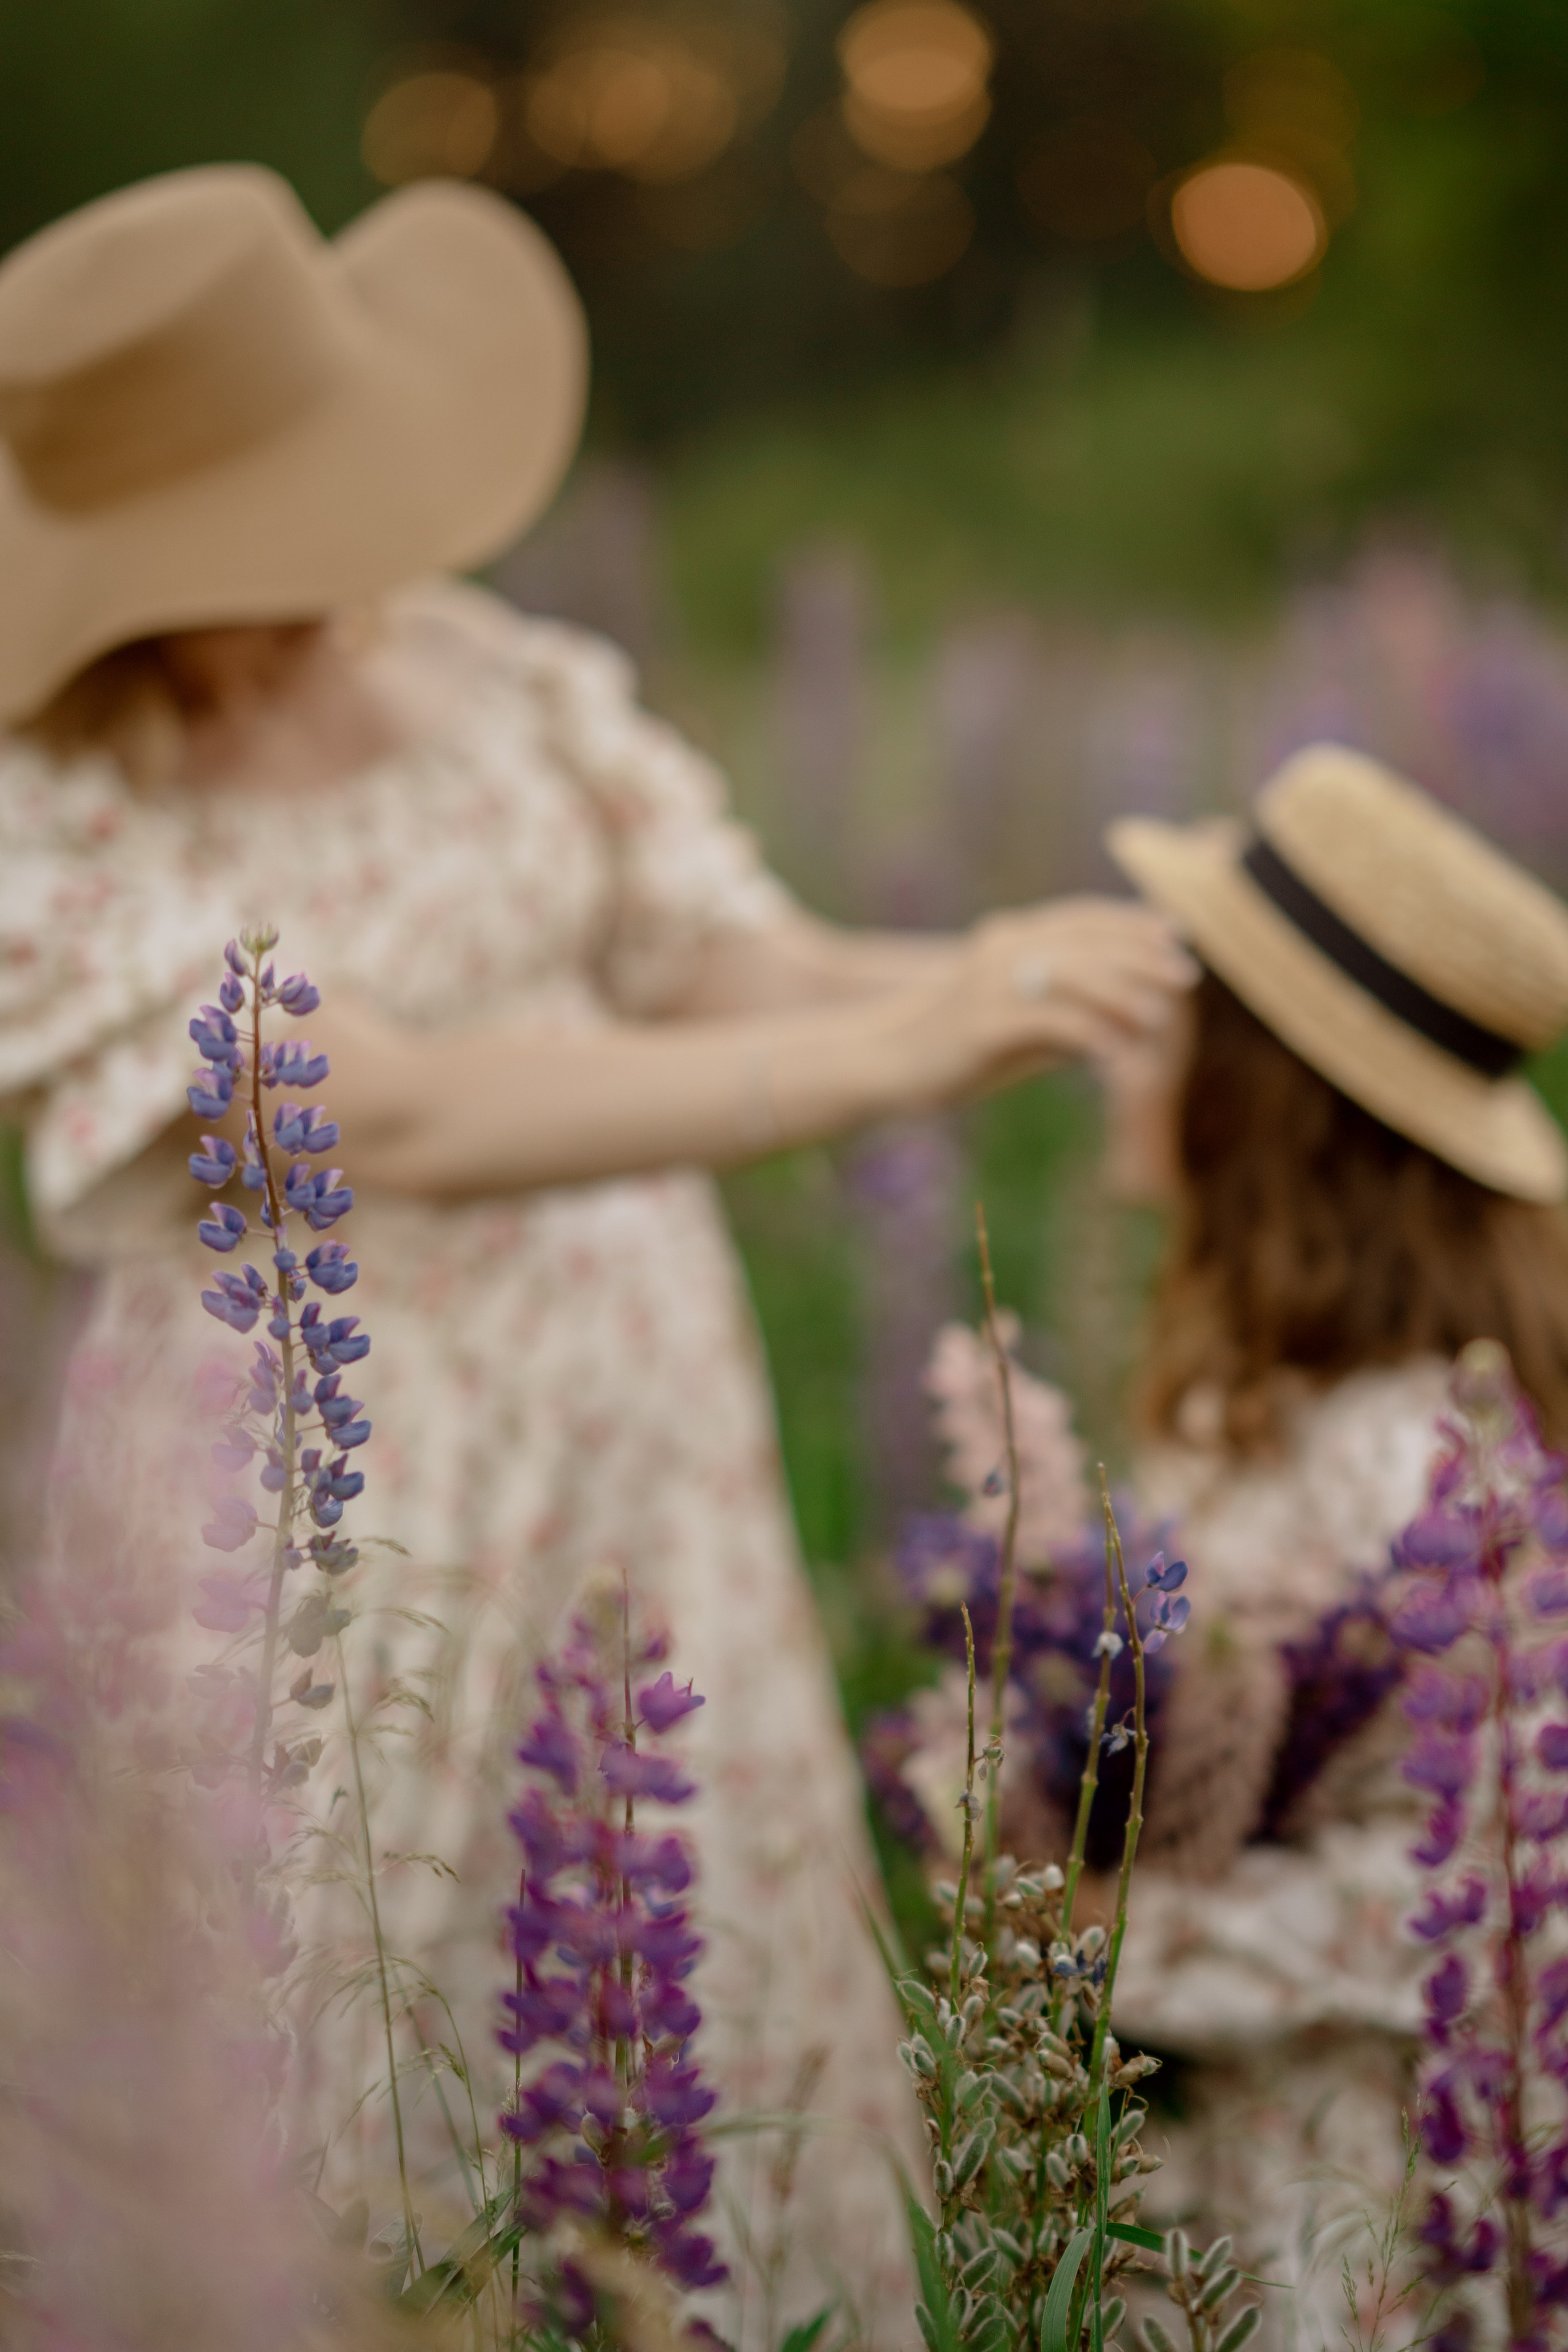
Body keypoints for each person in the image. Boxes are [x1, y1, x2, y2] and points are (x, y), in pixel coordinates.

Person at [0, 165, 1193, 2343]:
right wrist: (898, 1049)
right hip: (310, 1510)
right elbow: (395, 1106)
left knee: (668, 1993)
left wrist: (988, 973)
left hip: (643, 1464)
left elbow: (717, 959)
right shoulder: (52, 817)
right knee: (349, 2006)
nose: (328, 568)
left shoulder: (490, 672)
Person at [1101, 747, 1568, 2335]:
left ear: (1258, 1088)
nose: (1115, 1055)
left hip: (1384, 2187)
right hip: (1226, 2161)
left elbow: (1515, 1882)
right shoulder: (1258, 1397)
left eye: (1164, 1015)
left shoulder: (1420, 1455)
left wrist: (1120, 1940)